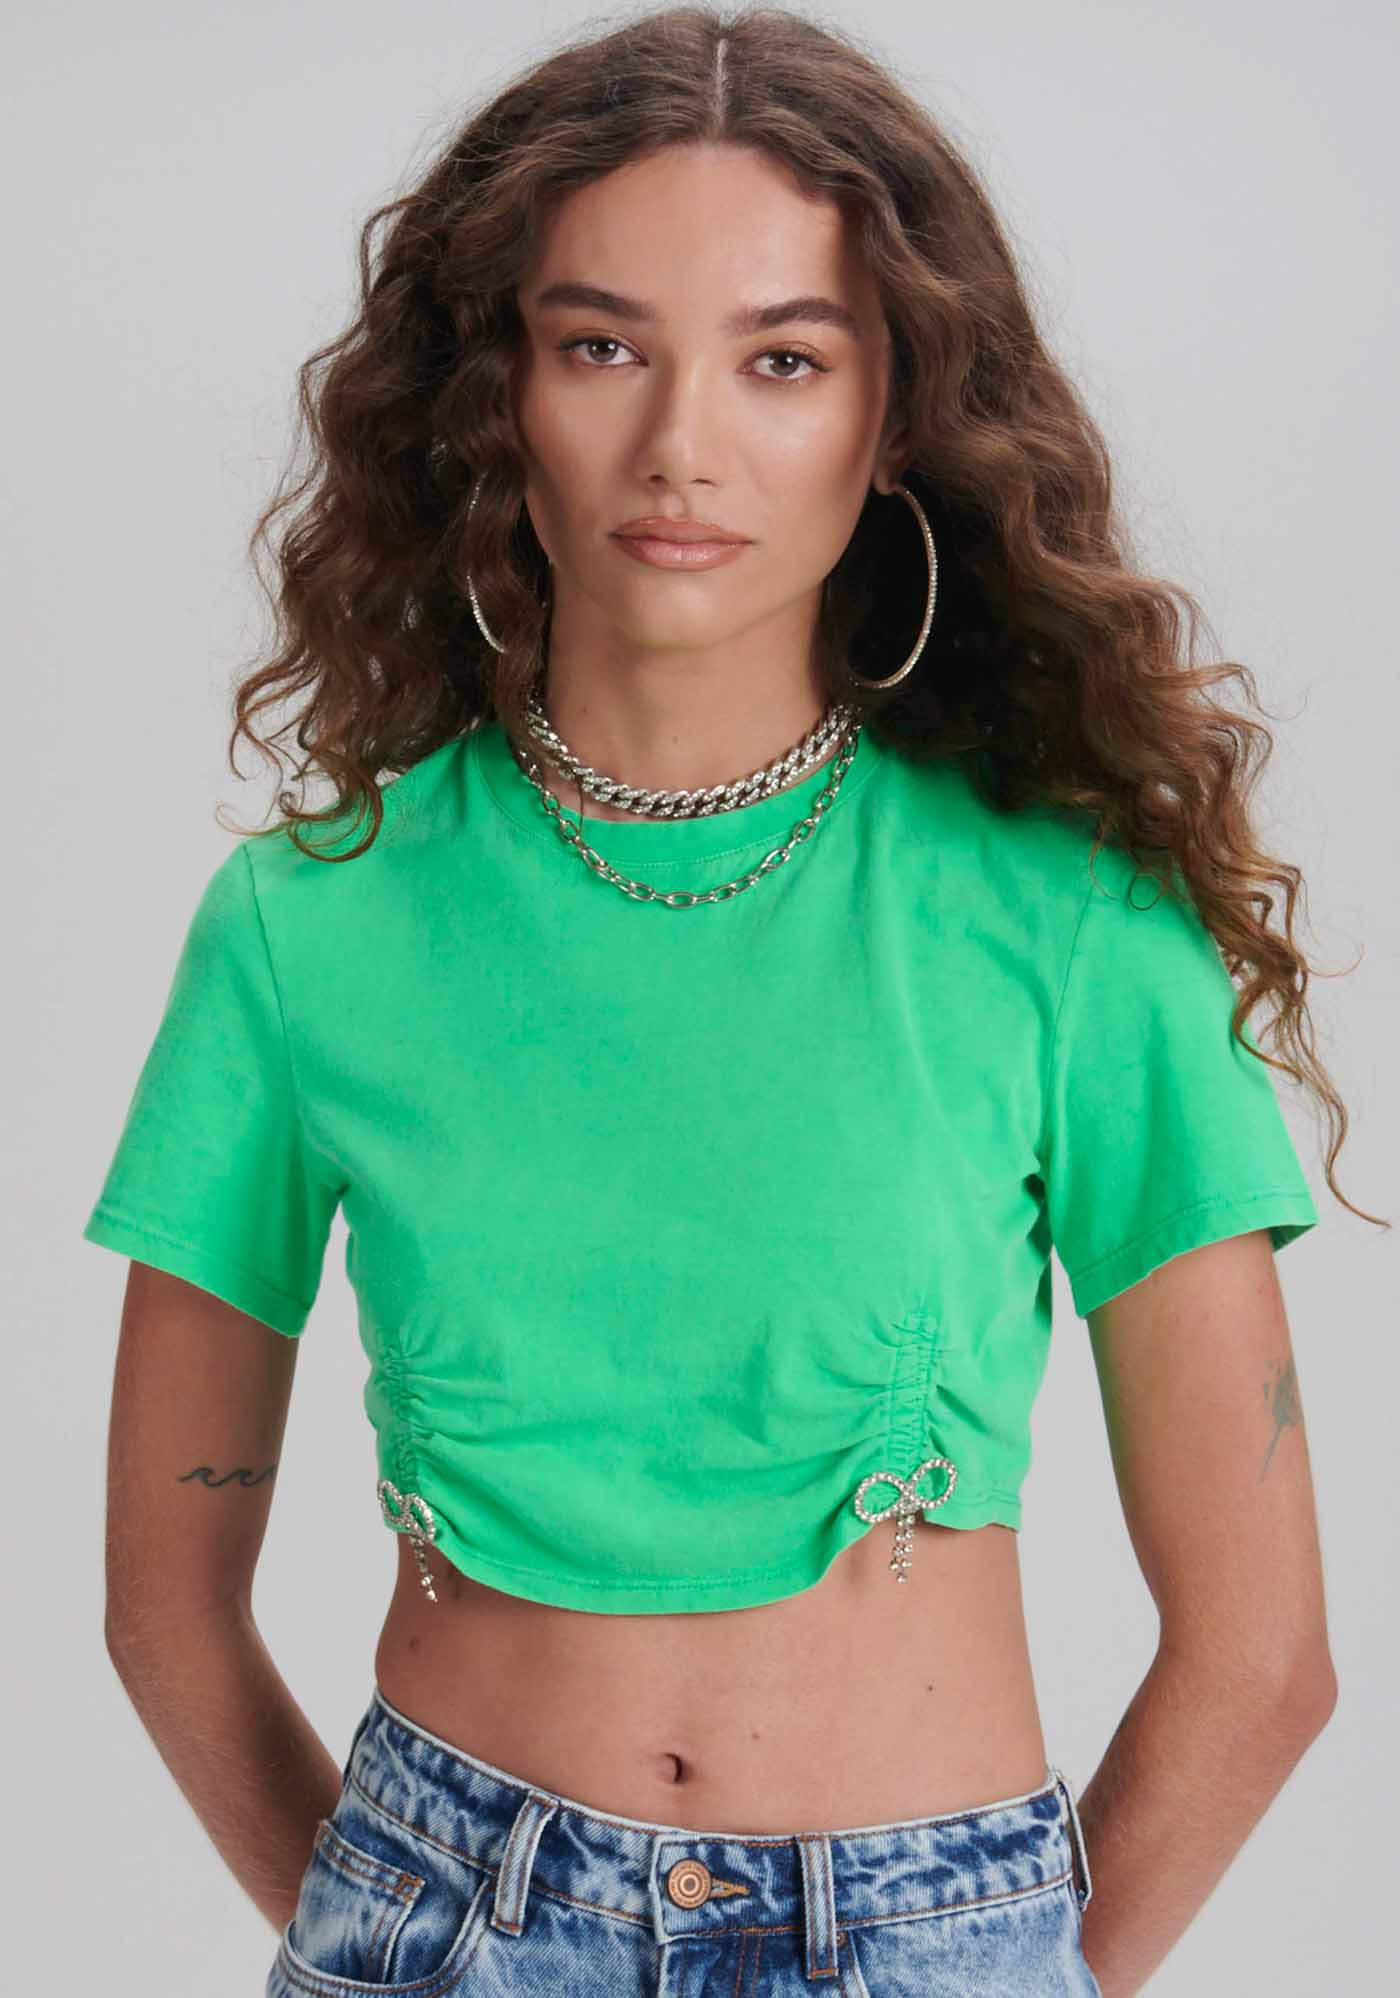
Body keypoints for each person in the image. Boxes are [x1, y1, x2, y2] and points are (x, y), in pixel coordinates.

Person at [85, 10, 1368, 1997]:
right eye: (602, 346)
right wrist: (392, 1938)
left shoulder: (1069, 927)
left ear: (894, 415)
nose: (680, 443)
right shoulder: (305, 925)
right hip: (441, 1909)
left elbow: (1262, 1658)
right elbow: (166, 1605)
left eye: (783, 359)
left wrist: (998, 1969)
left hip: (933, 1930)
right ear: (496, 389)